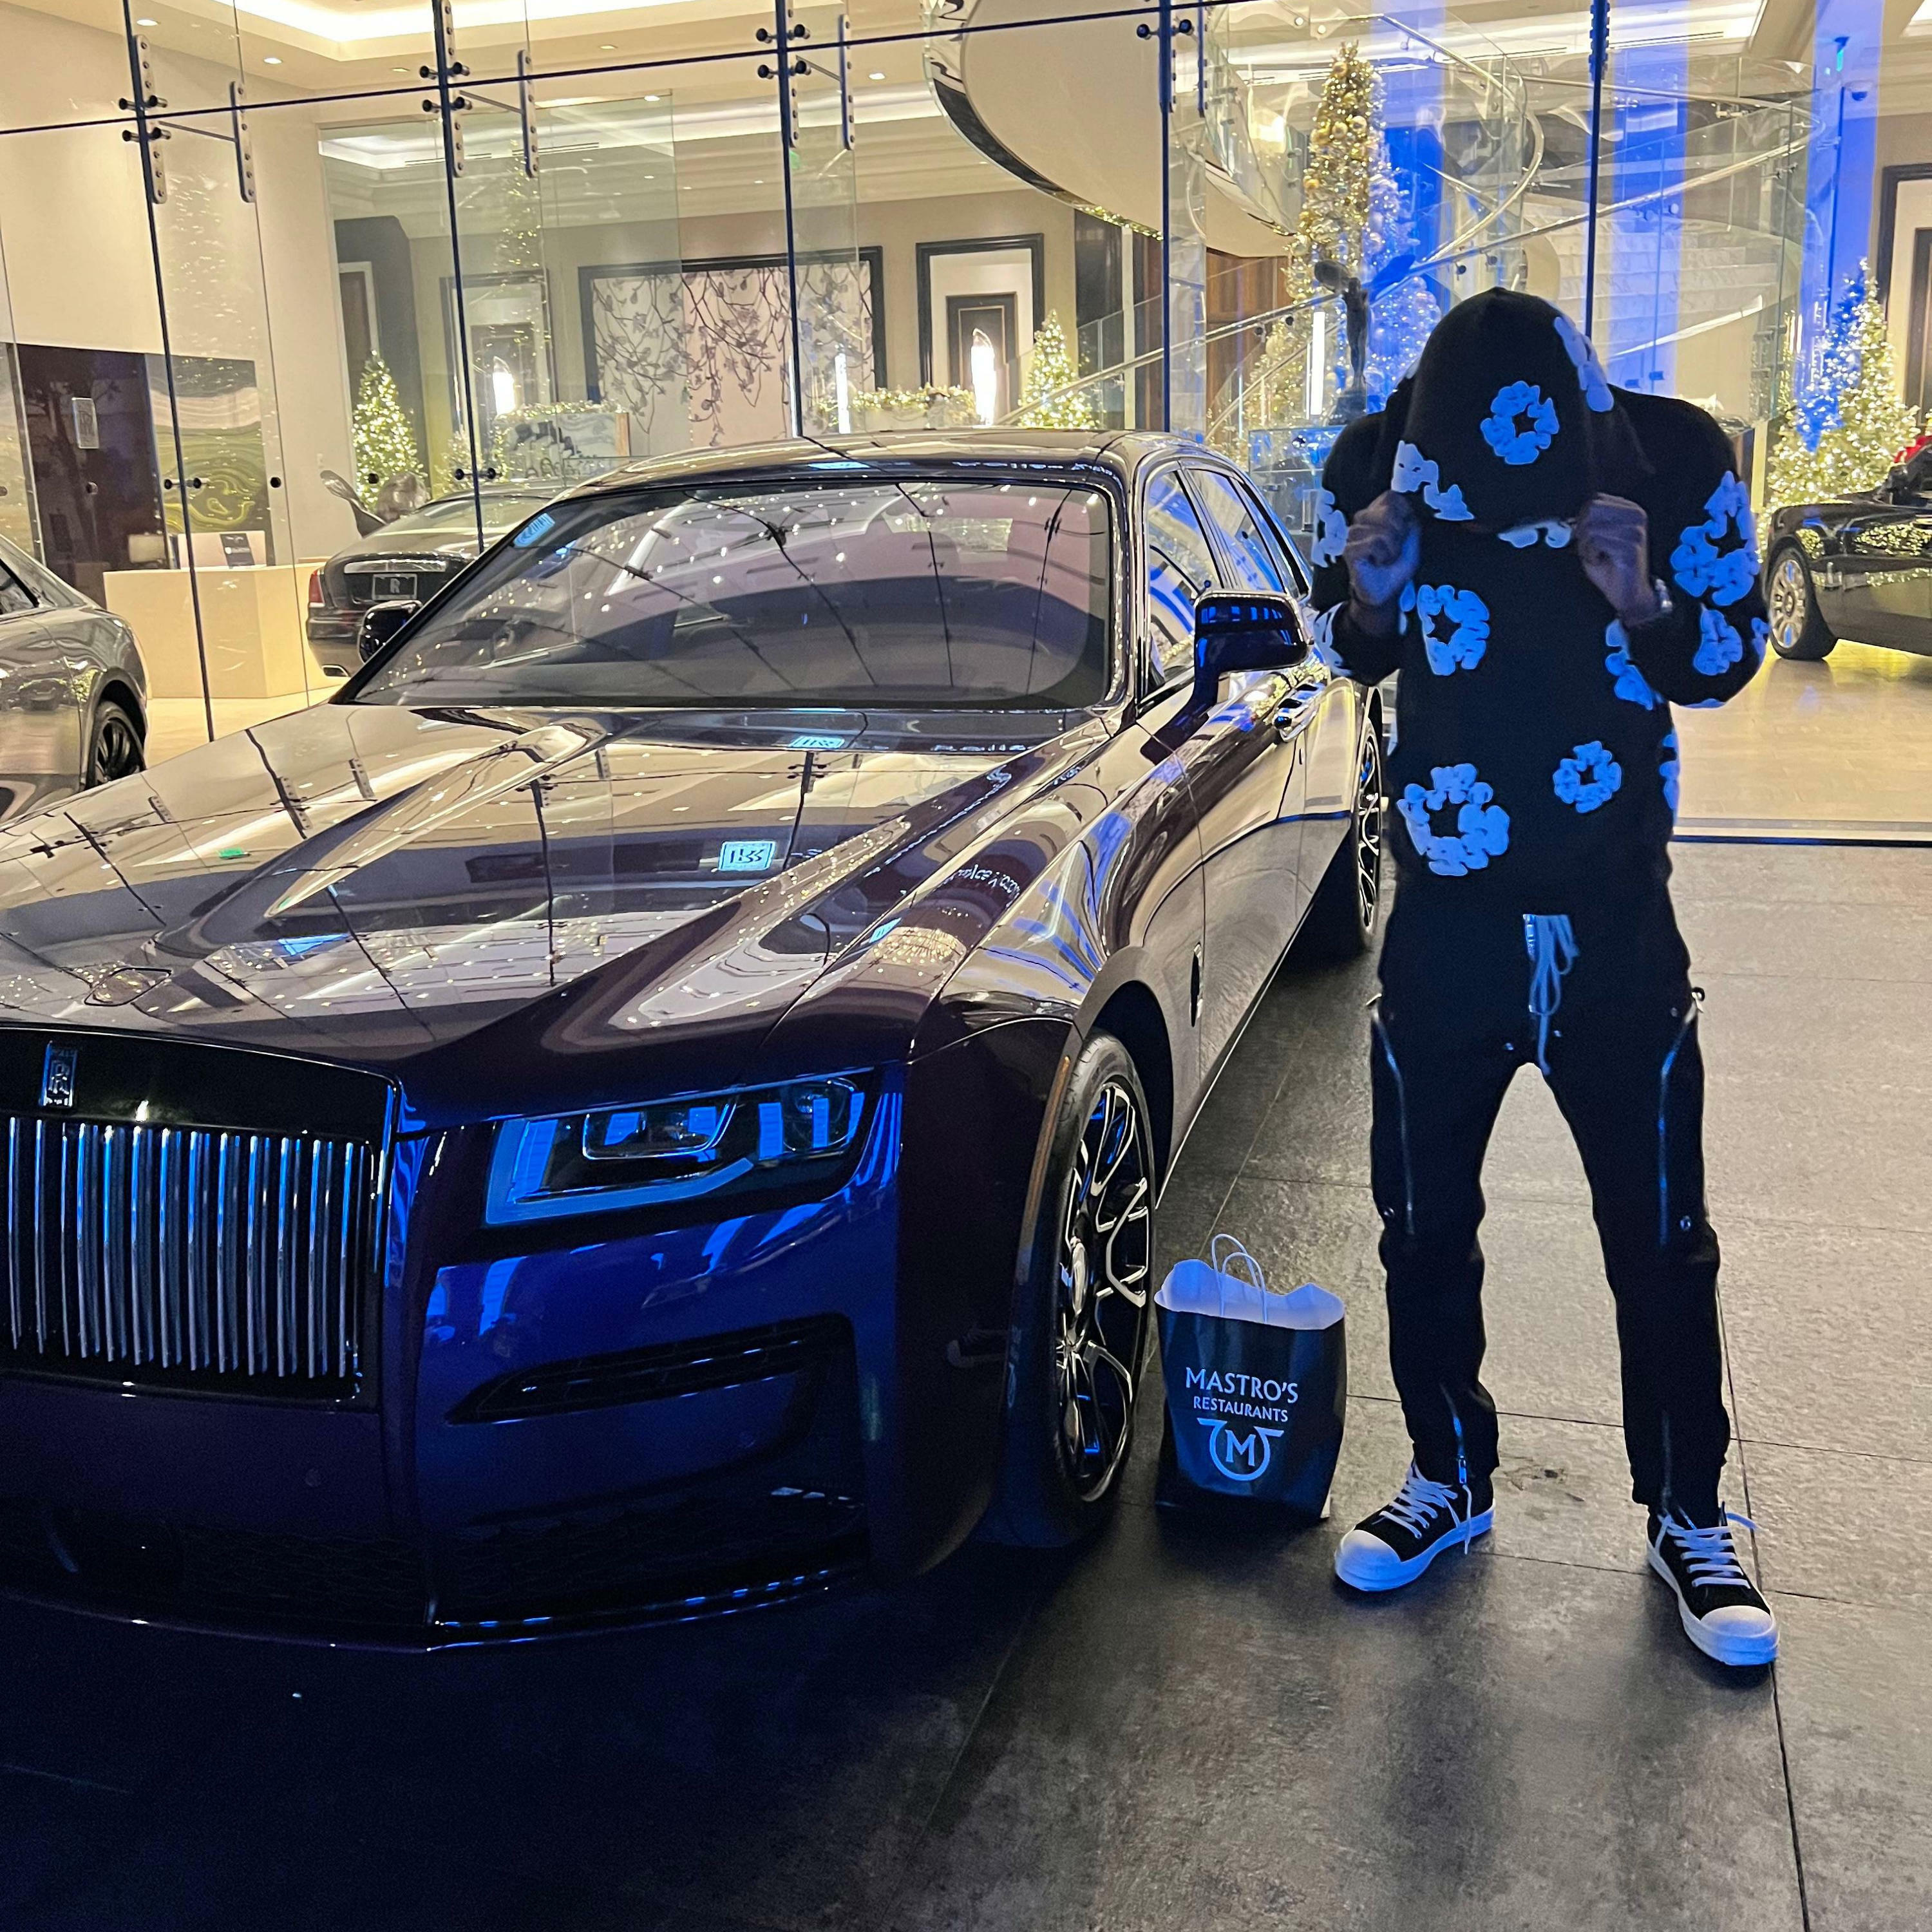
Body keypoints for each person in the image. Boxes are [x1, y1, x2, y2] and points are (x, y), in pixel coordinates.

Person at [1307, 289, 1778, 1669]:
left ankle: (1688, 1510)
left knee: (1661, 1233)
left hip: (1615, 917)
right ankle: (1448, 1473)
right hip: (1447, 926)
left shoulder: (1674, 458)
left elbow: (1733, 655)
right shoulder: (1376, 464)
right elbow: (1343, 647)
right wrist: (1369, 595)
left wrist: (1646, 601)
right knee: (1420, 1222)